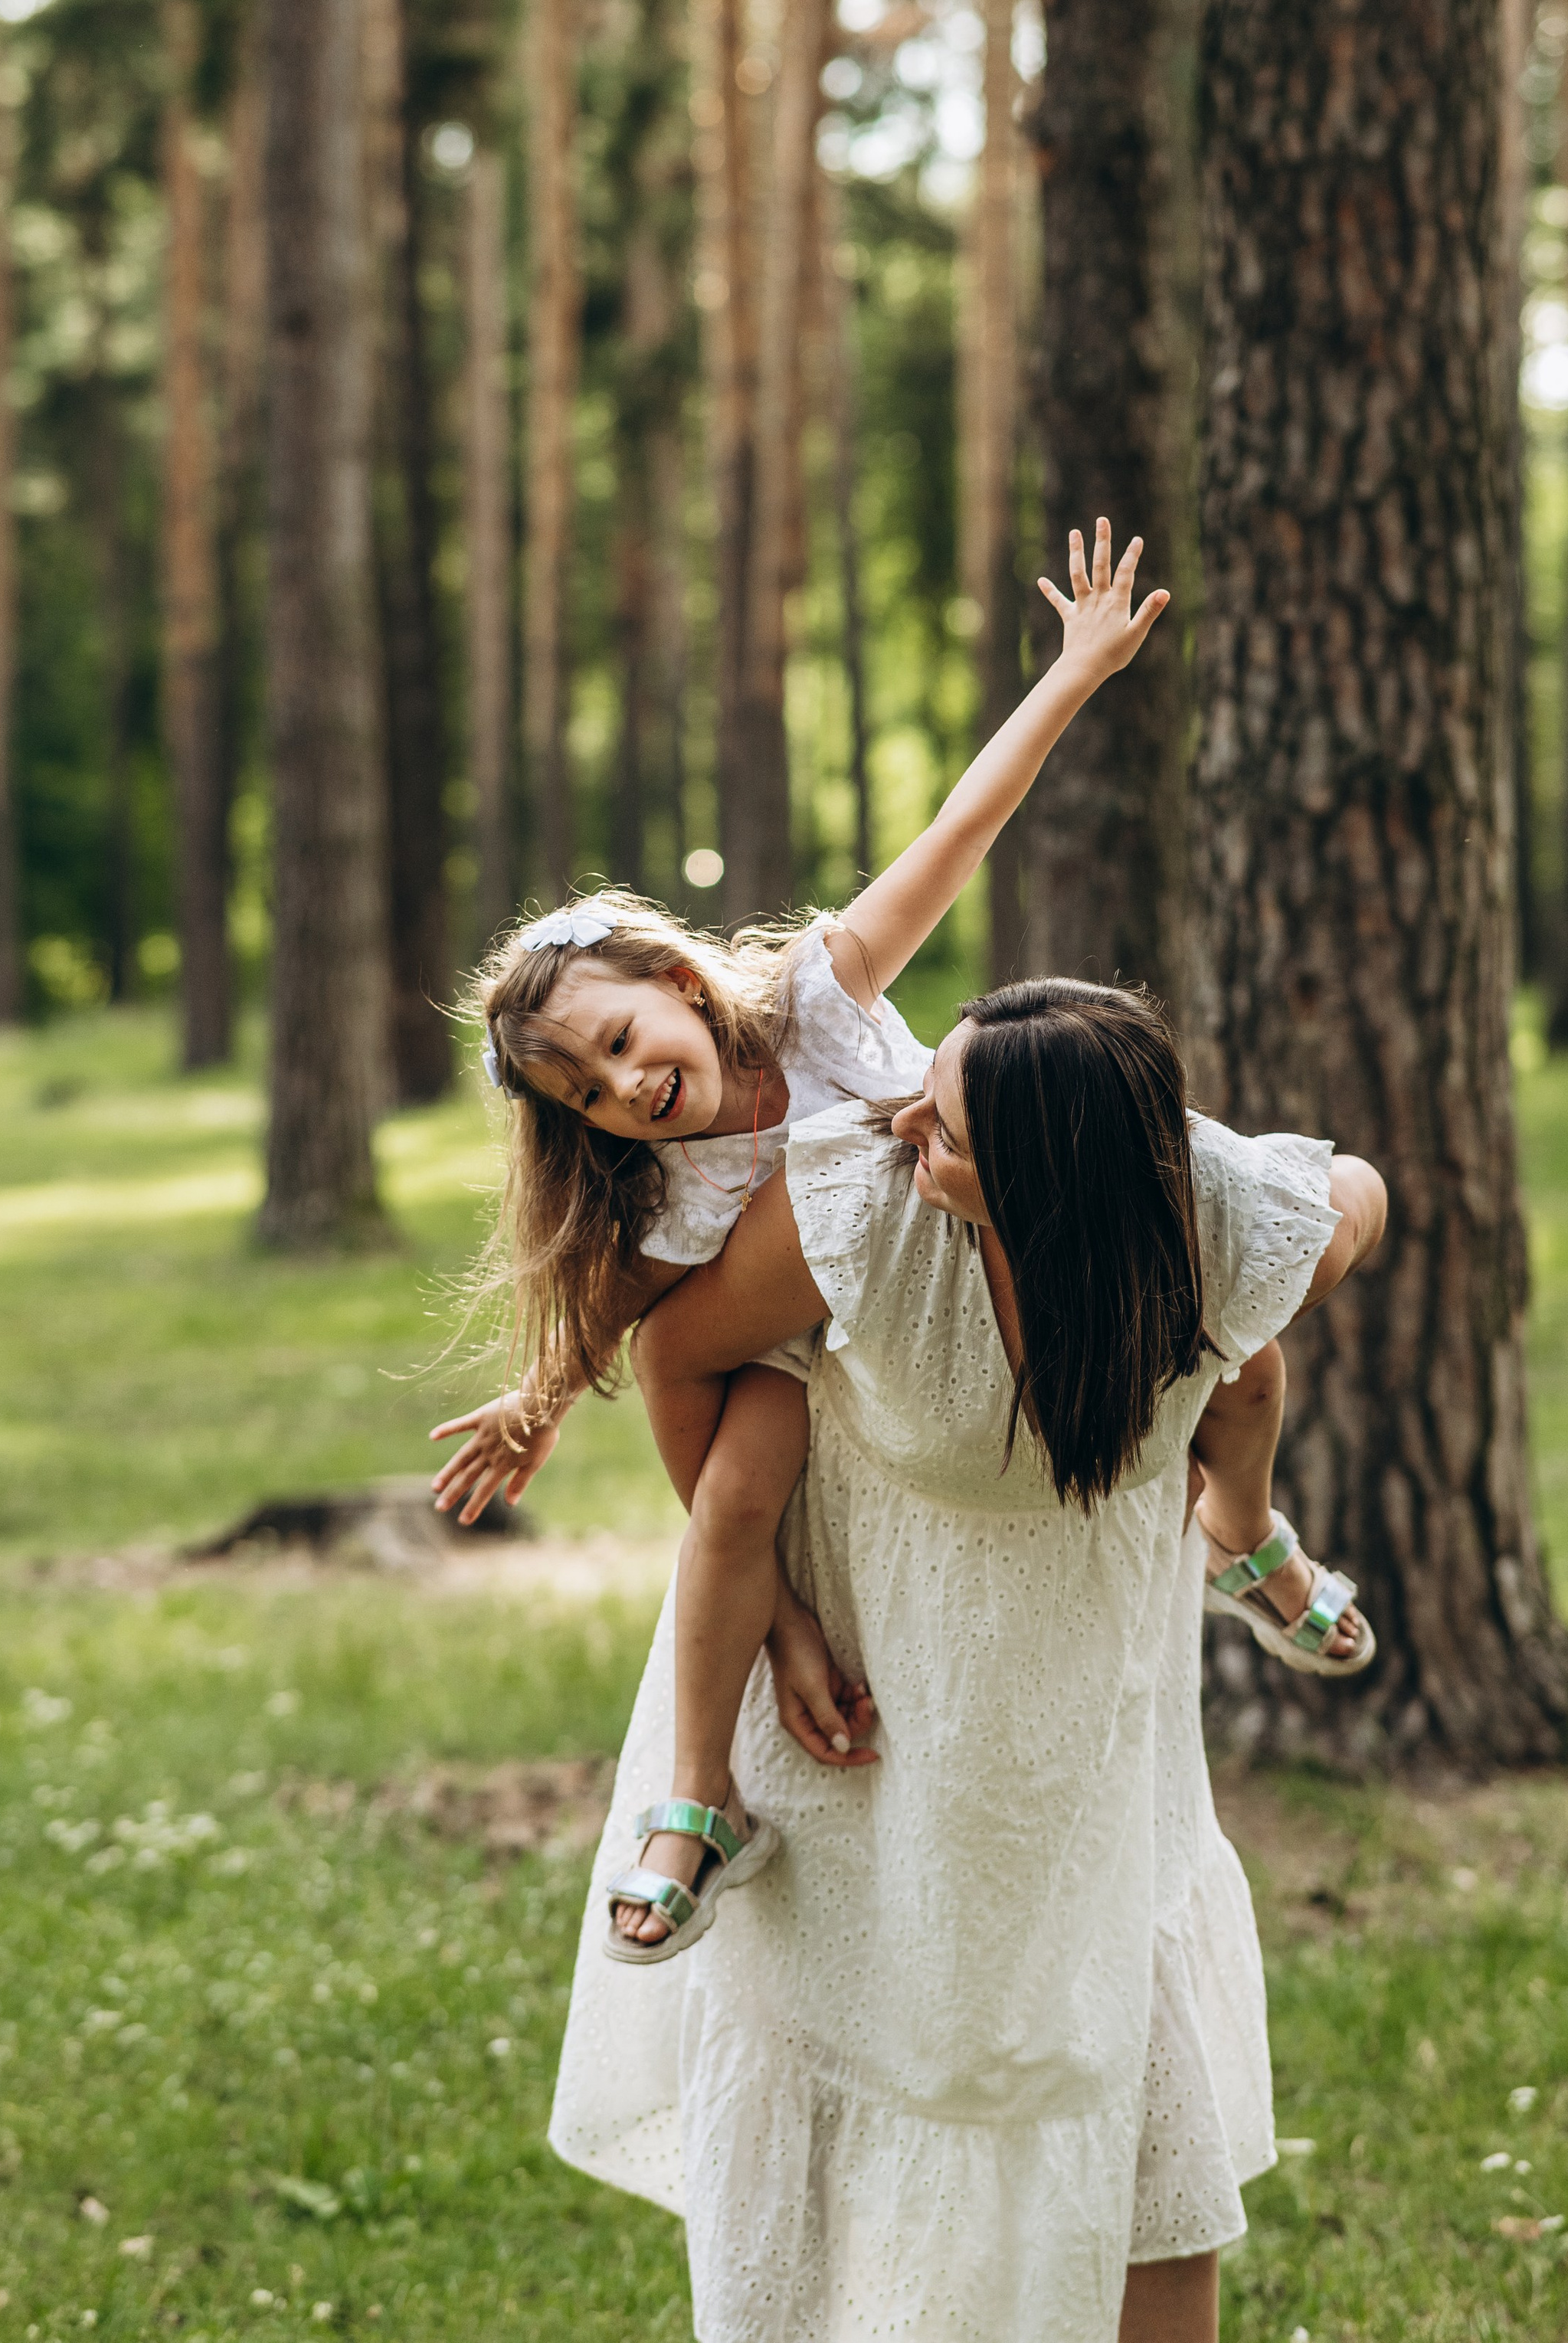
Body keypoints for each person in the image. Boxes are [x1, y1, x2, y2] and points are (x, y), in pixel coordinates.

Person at [432, 526, 1366, 1961]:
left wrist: (1073, 674)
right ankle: (699, 1795)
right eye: (587, 1094)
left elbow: (958, 832)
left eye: (620, 1042)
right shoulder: (667, 1196)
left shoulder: (820, 996)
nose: (624, 1091)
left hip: (984, 1237)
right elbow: (619, 1318)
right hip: (828, 1358)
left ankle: (1244, 1535)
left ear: (683, 981)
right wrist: (536, 1401)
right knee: (738, 1494)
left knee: (1239, 1359)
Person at [548, 981, 1387, 2341]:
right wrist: (774, 1621)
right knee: (867, 2016)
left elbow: (1352, 1193)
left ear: (1050, 1180)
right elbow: (675, 1355)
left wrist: (1237, 1408)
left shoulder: (1211, 1217)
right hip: (872, 1664)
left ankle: (1246, 1538)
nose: (895, 1126)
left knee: (1119, 2032)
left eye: (942, 1127)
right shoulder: (859, 1206)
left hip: (1089, 1677)